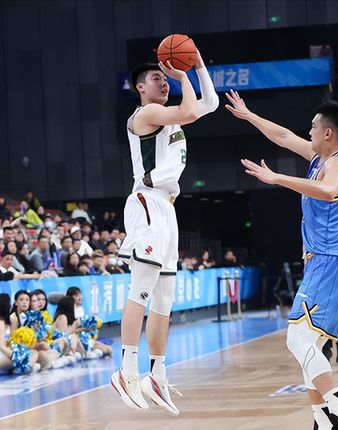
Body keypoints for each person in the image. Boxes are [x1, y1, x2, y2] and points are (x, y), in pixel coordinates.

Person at [226, 92, 338, 428]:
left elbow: (329, 191)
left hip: (333, 260)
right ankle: (323, 419)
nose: (309, 132)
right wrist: (250, 116)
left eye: (314, 127)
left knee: (297, 339)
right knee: (309, 346)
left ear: (328, 133)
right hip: (324, 262)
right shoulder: (320, 158)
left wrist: (277, 178)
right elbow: (284, 136)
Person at [111, 48, 218, 415]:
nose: (164, 81)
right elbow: (189, 111)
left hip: (166, 208)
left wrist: (198, 64)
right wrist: (183, 75)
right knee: (141, 287)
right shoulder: (146, 114)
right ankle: (126, 369)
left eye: (165, 77)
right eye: (156, 78)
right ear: (140, 88)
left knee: (164, 300)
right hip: (146, 202)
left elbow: (209, 104)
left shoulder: (170, 117)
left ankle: (156, 373)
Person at [0, 293, 38, 372]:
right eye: (9, 303)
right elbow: (2, 347)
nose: (11, 305)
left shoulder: (8, 321)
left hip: (6, 354)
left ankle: (25, 368)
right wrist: (16, 356)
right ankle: (25, 368)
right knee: (23, 359)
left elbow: (12, 341)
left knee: (33, 353)